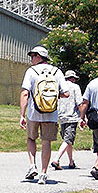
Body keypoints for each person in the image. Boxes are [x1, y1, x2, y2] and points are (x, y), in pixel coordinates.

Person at [19, 45, 69, 184]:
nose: (31, 59)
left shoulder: (31, 71)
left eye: (33, 56)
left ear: (39, 57)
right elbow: (66, 93)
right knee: (46, 142)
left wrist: (22, 115)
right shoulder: (57, 72)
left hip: (34, 113)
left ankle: (32, 165)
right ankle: (43, 173)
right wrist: (51, 98)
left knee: (31, 138)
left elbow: (25, 93)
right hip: (51, 113)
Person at [51, 70, 83, 170]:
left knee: (67, 139)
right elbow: (79, 102)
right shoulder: (75, 87)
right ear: (73, 79)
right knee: (68, 139)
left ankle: (71, 161)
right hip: (72, 116)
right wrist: (83, 116)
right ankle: (56, 159)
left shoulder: (60, 87)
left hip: (61, 116)